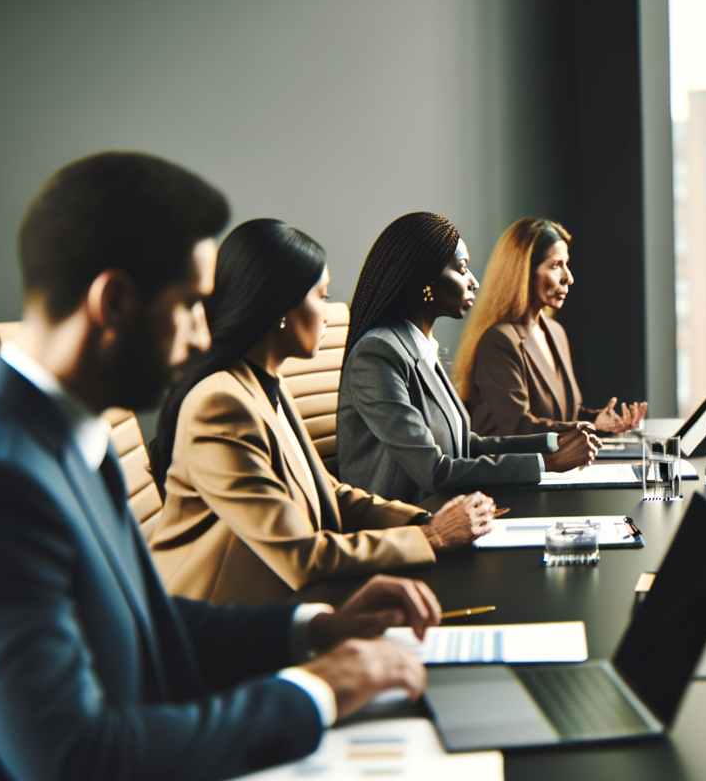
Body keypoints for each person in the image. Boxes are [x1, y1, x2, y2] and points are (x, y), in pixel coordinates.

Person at [0, 153, 441, 781]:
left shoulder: (65, 435)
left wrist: (312, 632)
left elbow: (144, 623)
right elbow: (80, 770)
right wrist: (318, 691)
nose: (206, 334)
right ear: (113, 303)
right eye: (188, 308)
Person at [148, 219, 497, 603]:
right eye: (322, 296)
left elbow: (331, 494)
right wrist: (431, 538)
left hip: (283, 600)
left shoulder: (267, 386)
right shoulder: (221, 405)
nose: (330, 314)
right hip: (218, 627)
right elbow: (300, 555)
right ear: (280, 306)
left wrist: (424, 521)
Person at [337, 213, 598, 505]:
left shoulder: (419, 345)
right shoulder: (377, 355)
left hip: (448, 511)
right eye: (462, 269)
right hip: (402, 527)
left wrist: (552, 442)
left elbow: (465, 444)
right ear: (426, 279)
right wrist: (548, 463)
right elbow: (434, 470)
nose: (473, 281)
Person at [454, 218, 646, 437]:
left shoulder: (555, 331)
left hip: (556, 468)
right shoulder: (499, 341)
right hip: (517, 469)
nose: (569, 278)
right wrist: (592, 428)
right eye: (556, 266)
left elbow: (567, 415)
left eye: (566, 264)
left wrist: (604, 421)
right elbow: (519, 426)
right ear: (524, 272)